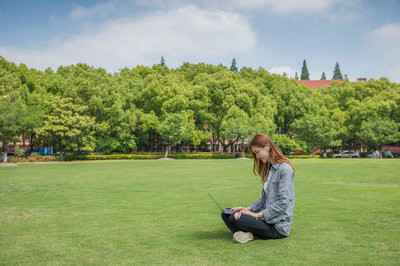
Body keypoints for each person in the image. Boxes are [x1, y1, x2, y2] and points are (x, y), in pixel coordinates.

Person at [221, 133, 295, 243]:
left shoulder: (285, 169)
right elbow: (264, 199)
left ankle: (249, 233)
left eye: (257, 152)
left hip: (276, 226)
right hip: (265, 220)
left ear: (267, 147)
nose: (257, 157)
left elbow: (283, 202)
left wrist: (257, 215)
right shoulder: (268, 169)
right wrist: (247, 209)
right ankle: (249, 234)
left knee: (235, 218)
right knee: (227, 214)